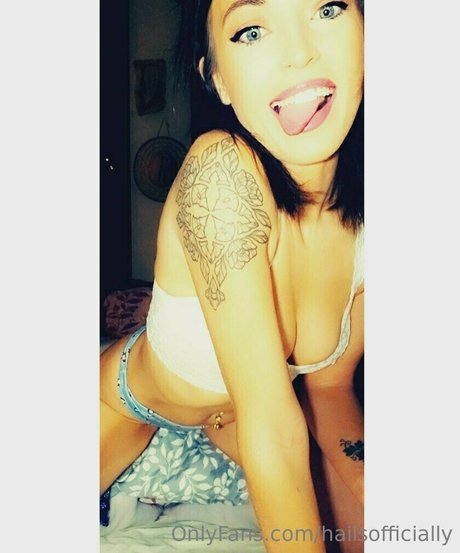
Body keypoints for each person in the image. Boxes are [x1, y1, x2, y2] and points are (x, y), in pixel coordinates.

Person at [100, 0, 364, 551]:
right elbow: (272, 423)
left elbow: (330, 388)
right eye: (251, 31)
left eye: (328, 8)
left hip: (228, 424)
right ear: (217, 78)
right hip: (130, 404)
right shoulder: (221, 171)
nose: (299, 53)